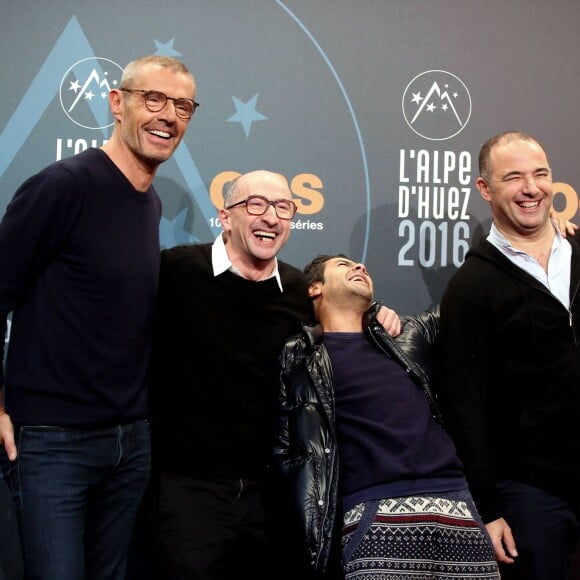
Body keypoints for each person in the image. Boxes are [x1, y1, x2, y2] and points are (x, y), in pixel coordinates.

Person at [0, 55, 198, 580]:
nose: (168, 116)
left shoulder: (149, 202)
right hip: (53, 443)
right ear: (117, 102)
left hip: (130, 443)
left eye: (182, 106)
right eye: (153, 99)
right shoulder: (63, 185)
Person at [149, 170, 400, 579]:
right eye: (256, 205)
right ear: (225, 217)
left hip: (271, 498)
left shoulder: (301, 292)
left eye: (283, 207)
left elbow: (343, 325)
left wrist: (377, 318)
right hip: (189, 490)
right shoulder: (175, 271)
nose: (271, 217)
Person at [274, 253, 501, 579]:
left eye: (360, 265)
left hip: (458, 508)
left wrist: (539, 234)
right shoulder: (300, 357)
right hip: (375, 516)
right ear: (314, 288)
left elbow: (469, 302)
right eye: (343, 265)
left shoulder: (405, 336)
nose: (359, 267)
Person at [437, 131, 580, 580]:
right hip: (531, 490)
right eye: (513, 177)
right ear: (485, 189)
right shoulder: (470, 288)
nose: (531, 188)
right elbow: (465, 405)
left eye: (540, 174)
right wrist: (488, 506)